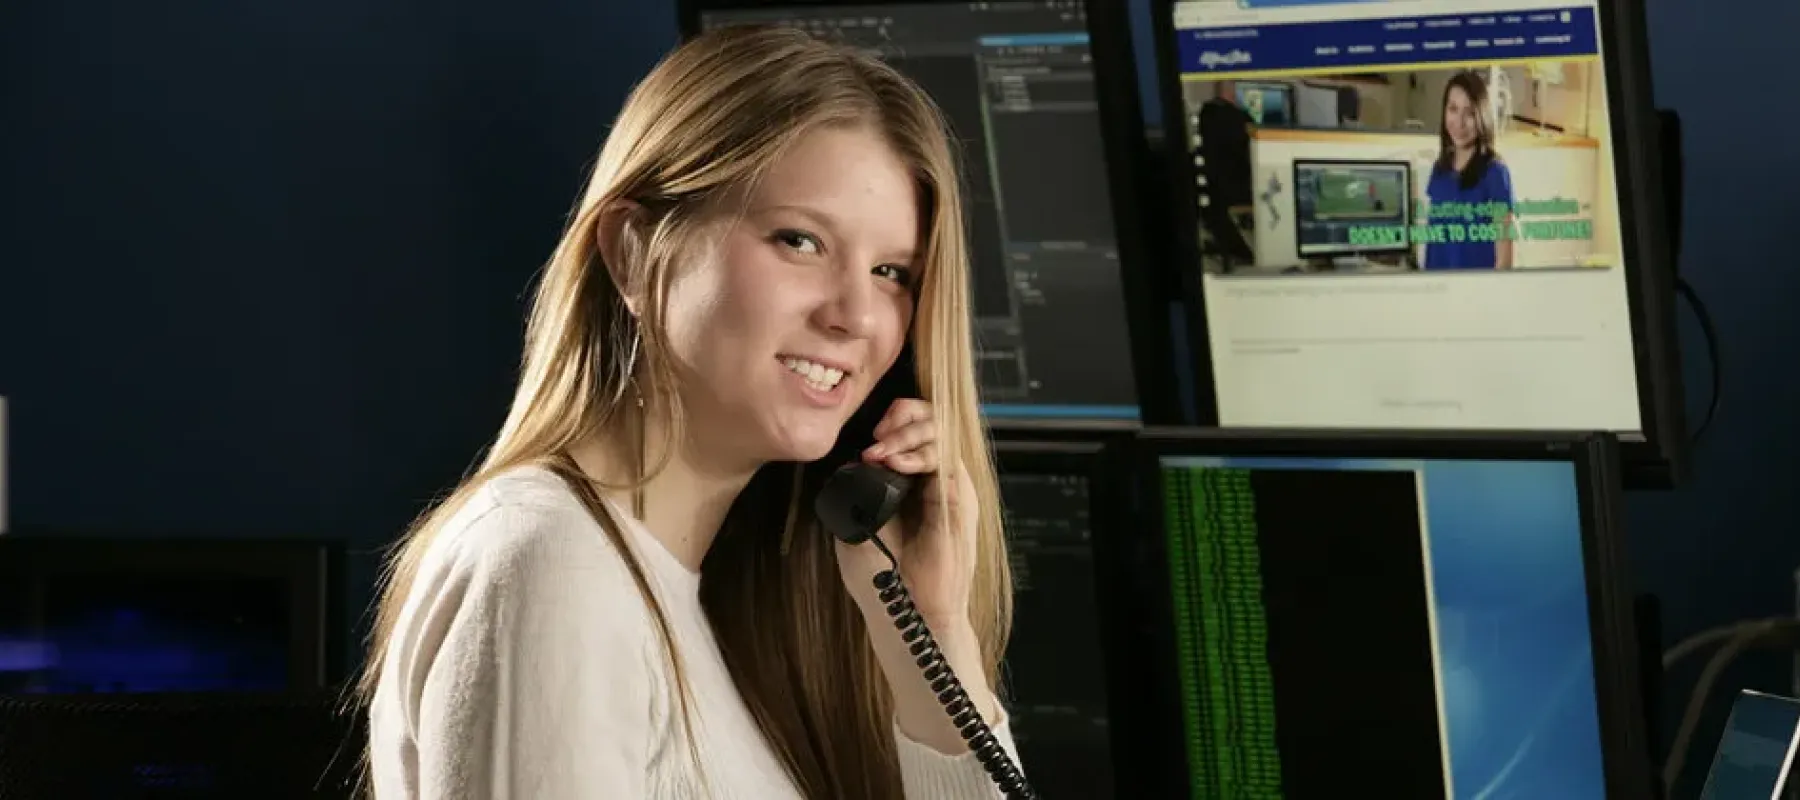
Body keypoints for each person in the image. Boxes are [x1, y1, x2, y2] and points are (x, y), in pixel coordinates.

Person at [360, 24, 1020, 799]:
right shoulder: (553, 564)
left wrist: (928, 629)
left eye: (891, 272)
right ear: (633, 251)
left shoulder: (707, 605)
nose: (856, 315)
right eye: (800, 240)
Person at [1421, 70, 1516, 270]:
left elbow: (1504, 261)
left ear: (1482, 116)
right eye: (1453, 109)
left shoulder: (1495, 174)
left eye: (1470, 113)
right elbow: (1433, 245)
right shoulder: (1439, 169)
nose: (1459, 122)